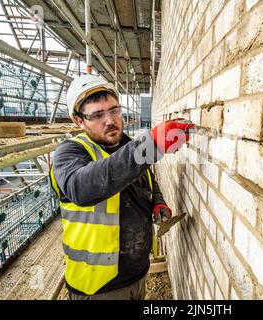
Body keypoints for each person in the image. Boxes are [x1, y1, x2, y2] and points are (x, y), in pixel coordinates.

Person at [49, 74, 194, 300]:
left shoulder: (127, 145)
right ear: (79, 121)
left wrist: (157, 202)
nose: (110, 120)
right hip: (98, 287)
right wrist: (151, 145)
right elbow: (81, 188)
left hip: (137, 274)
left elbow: (146, 180)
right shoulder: (69, 153)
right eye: (98, 115)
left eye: (114, 110)